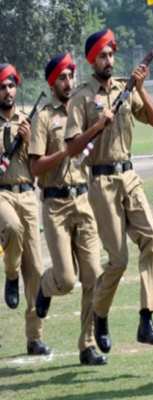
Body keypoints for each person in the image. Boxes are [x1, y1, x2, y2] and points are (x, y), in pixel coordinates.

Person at [62, 29, 153, 354]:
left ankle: (146, 318)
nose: (109, 60)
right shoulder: (81, 97)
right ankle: (100, 313)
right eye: (102, 56)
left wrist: (141, 87)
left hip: (129, 175)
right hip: (102, 181)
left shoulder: (125, 87)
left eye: (111, 55)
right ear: (92, 60)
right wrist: (97, 125)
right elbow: (72, 148)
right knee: (118, 260)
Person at [31, 53, 105, 365]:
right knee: (65, 279)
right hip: (55, 204)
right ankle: (45, 287)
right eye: (62, 77)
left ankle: (87, 344)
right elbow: (36, 167)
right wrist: (65, 151)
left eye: (71, 75)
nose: (68, 81)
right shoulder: (43, 117)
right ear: (52, 83)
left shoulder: (81, 109)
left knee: (93, 275)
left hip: (83, 200)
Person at [0, 63, 49, 357]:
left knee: (37, 271)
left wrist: (29, 139)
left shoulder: (28, 120)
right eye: (2, 87)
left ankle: (34, 338)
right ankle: (10, 275)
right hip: (2, 194)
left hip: (28, 194)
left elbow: (38, 162)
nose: (8, 91)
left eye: (11, 86)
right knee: (12, 228)